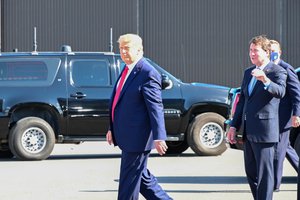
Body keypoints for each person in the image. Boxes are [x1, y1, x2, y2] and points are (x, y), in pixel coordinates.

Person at [106, 33, 172, 200]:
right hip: (126, 135)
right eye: (121, 49)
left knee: (128, 183)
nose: (123, 52)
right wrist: (111, 128)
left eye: (127, 48)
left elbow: (155, 106)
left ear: (139, 49)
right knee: (142, 179)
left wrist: (159, 136)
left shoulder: (147, 73)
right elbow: (118, 101)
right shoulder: (127, 69)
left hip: (137, 138)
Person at [227, 35, 287, 200]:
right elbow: (243, 102)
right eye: (250, 50)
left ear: (267, 52)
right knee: (251, 173)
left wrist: (265, 80)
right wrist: (233, 126)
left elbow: (281, 92)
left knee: (265, 176)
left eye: (256, 50)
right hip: (248, 131)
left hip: (265, 132)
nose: (252, 54)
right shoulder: (248, 73)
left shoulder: (277, 71)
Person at [270, 39, 300, 192]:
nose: (272, 53)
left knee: (278, 151)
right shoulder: (267, 69)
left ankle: (274, 185)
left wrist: (296, 114)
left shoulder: (286, 69)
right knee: (286, 148)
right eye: (269, 50)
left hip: (283, 117)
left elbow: (296, 94)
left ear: (280, 52)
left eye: (274, 50)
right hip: (271, 117)